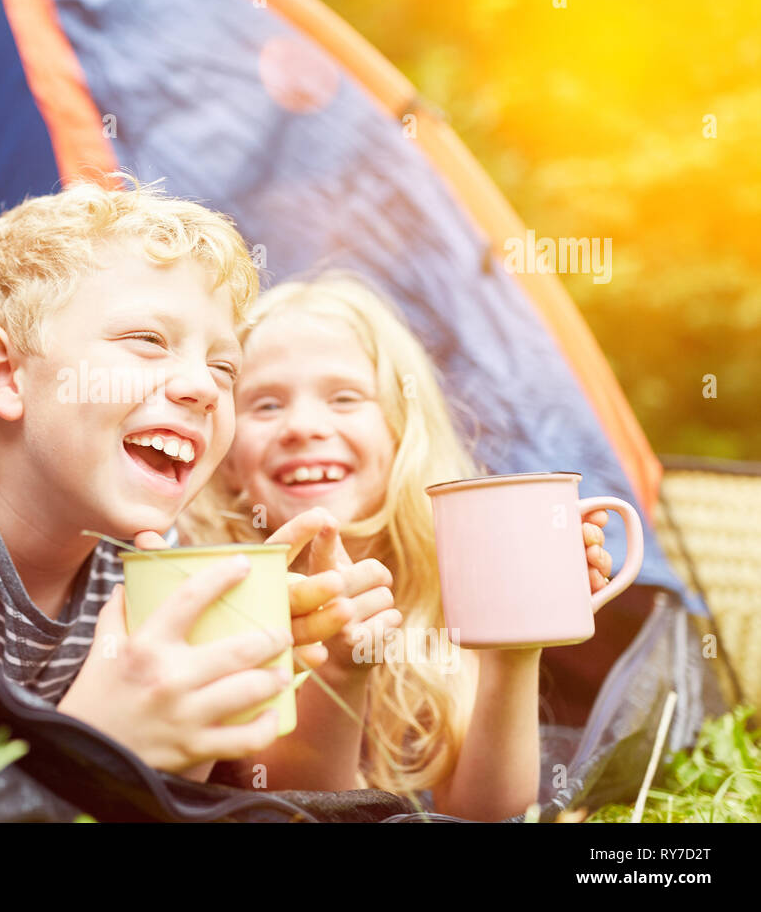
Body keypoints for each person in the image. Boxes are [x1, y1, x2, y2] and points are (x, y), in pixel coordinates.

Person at [0, 180, 355, 778]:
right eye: (147, 341)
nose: (205, 387)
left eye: (224, 366)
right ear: (6, 373)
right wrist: (98, 744)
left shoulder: (147, 557)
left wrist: (213, 696)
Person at [177, 272, 614, 819]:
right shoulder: (219, 586)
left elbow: (488, 815)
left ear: (402, 432)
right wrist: (339, 667)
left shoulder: (444, 574)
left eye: (344, 397)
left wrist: (513, 651)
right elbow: (308, 808)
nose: (303, 426)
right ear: (229, 457)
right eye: (265, 406)